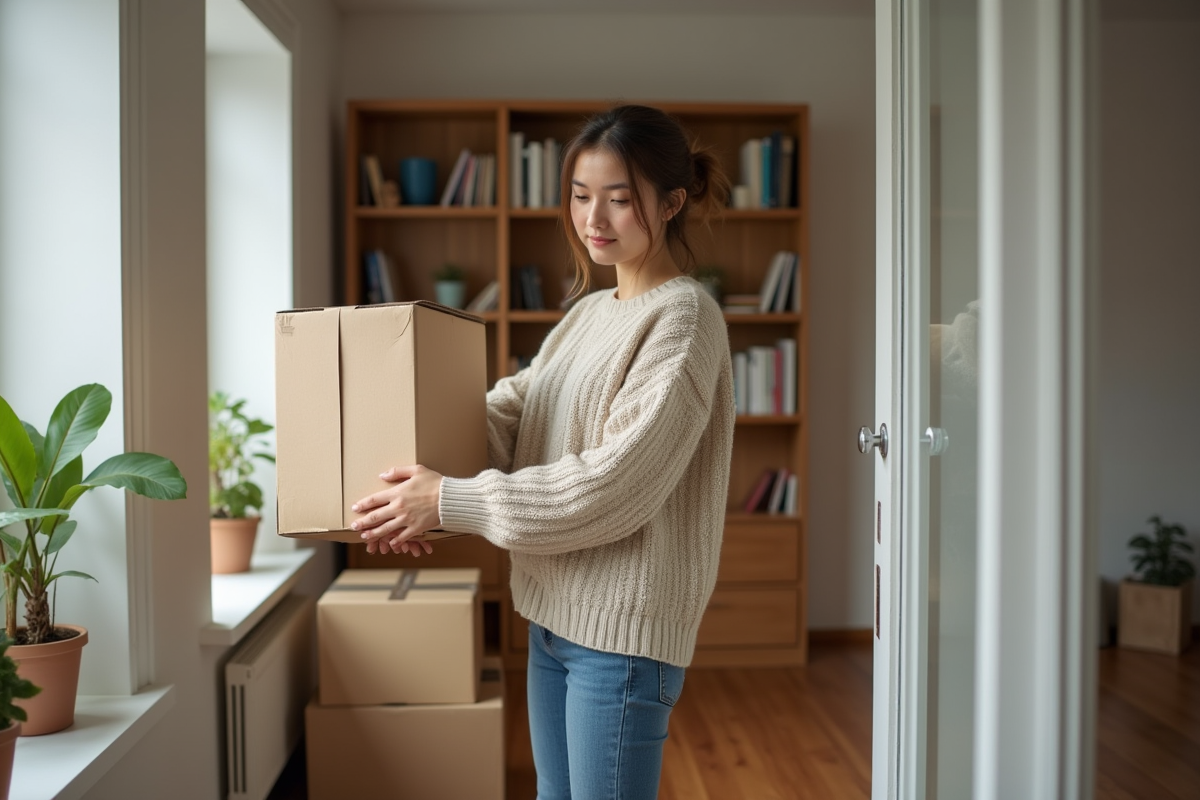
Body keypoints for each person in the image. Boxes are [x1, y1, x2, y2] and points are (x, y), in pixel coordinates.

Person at [350, 104, 736, 800]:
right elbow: (518, 410)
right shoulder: (588, 312)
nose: (595, 219)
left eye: (619, 200)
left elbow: (615, 485)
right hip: (552, 617)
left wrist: (449, 499)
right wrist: (418, 486)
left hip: (619, 640)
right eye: (581, 196)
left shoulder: (684, 318)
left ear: (673, 202)